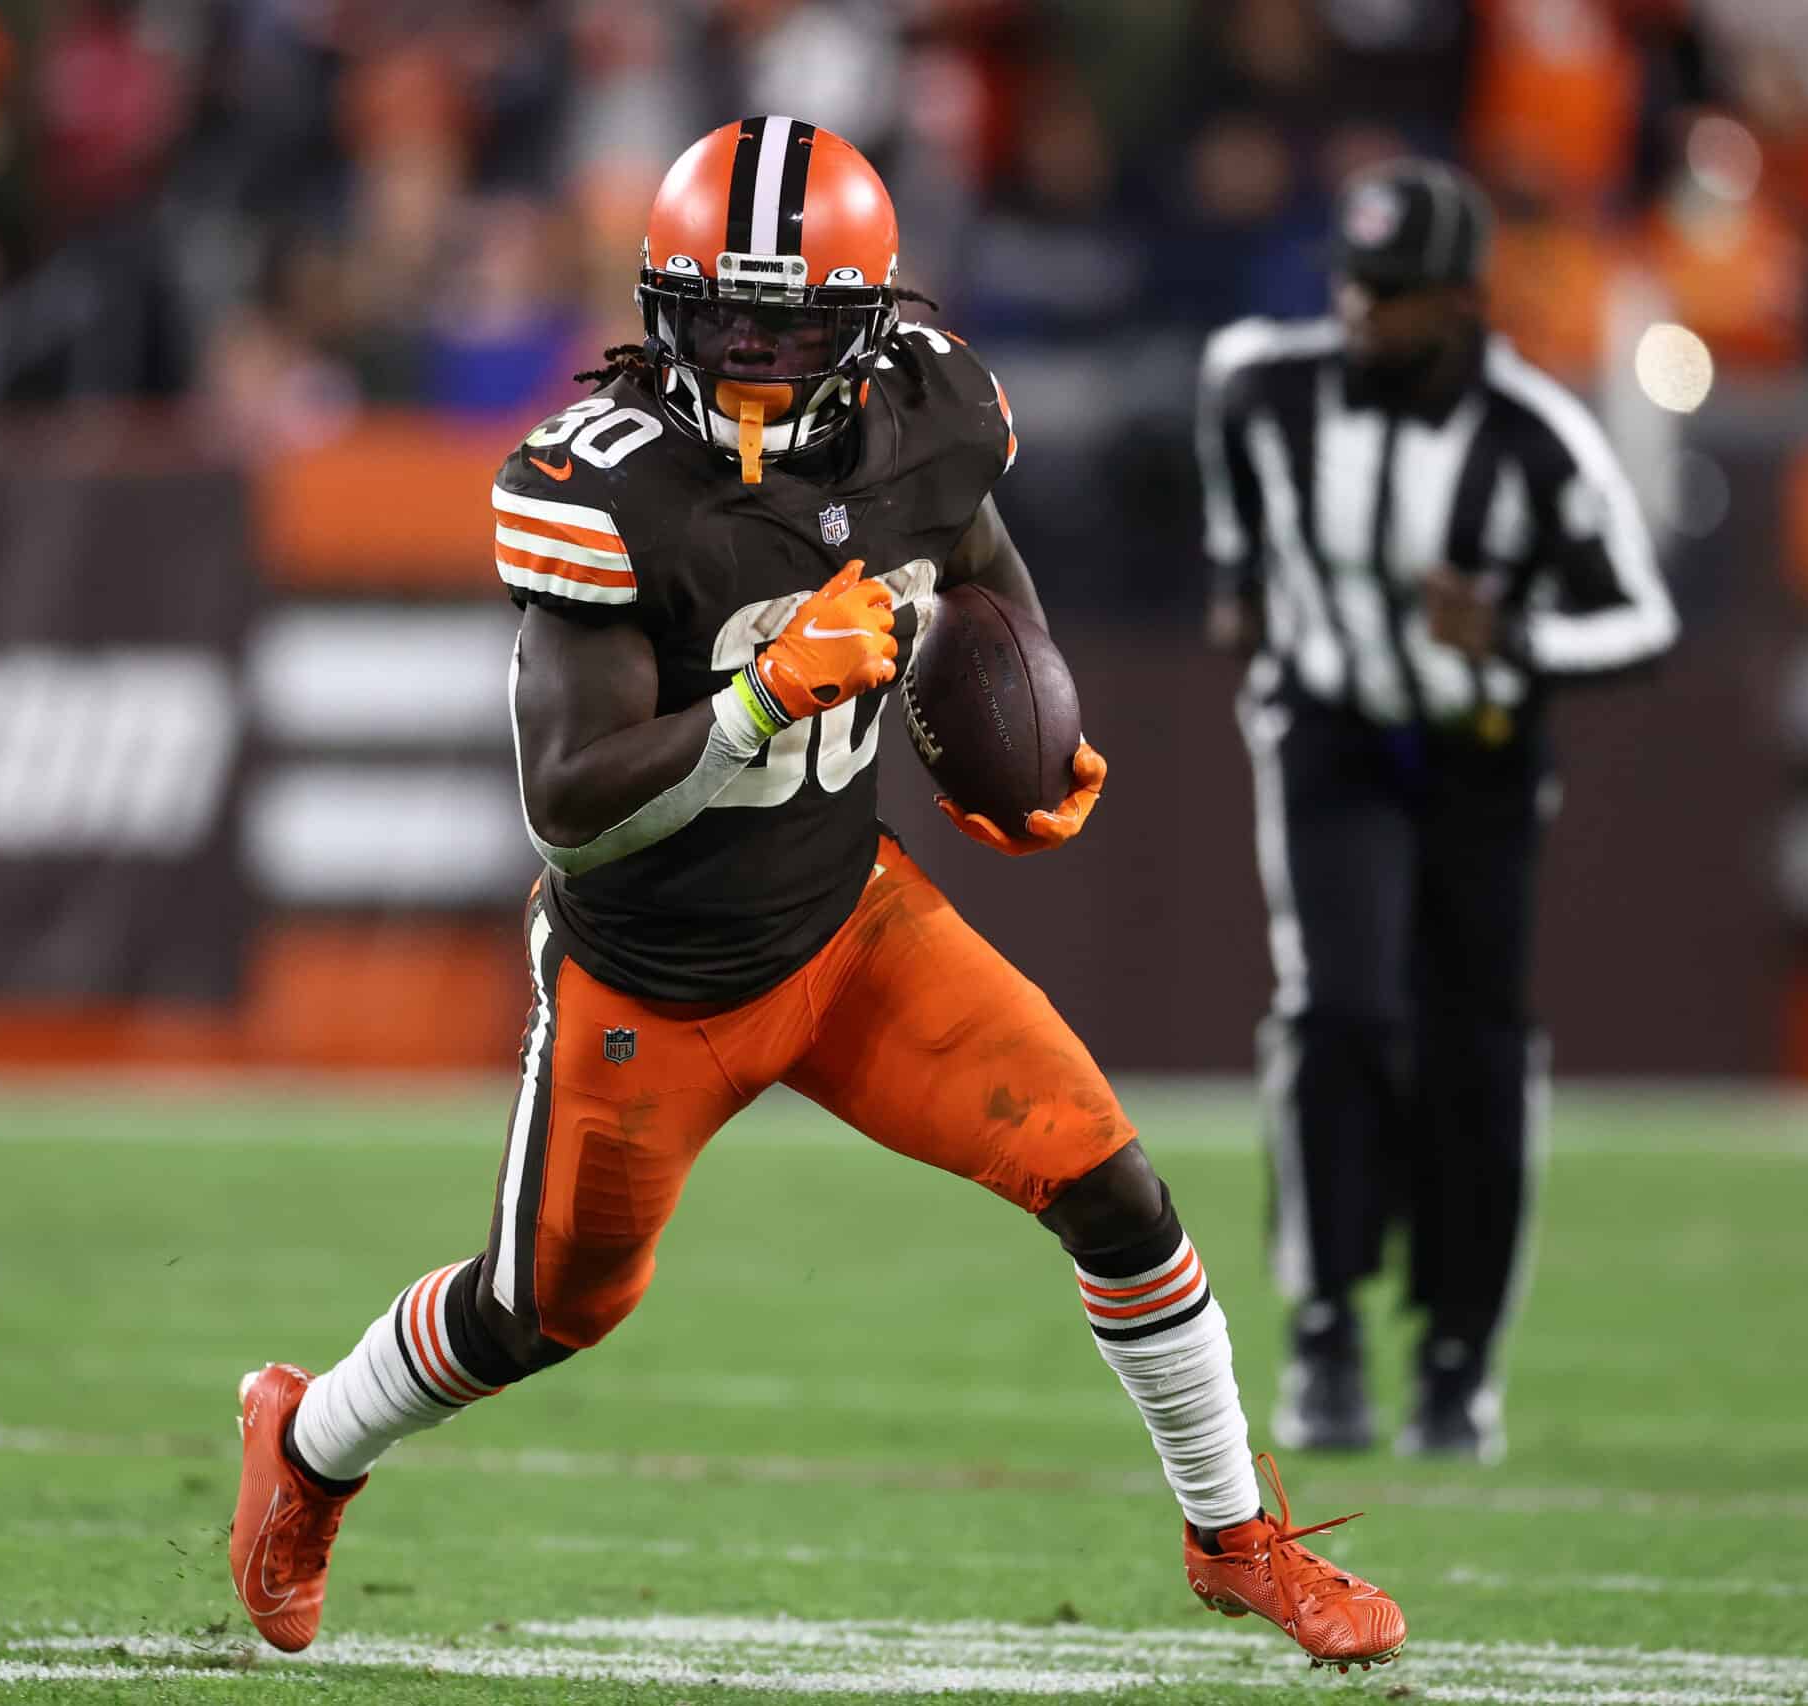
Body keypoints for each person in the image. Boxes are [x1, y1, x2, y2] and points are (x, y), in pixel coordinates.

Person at [229, 117, 1407, 1672]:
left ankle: (1232, 1527)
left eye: (788, 323)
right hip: (652, 980)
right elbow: (569, 807)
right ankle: (308, 1446)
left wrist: (1025, 735)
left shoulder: (929, 407)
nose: (753, 357)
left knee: (1110, 1180)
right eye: (719, 319)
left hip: (852, 928)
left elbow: (975, 556)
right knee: (542, 1310)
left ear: (868, 326)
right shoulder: (606, 488)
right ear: (660, 311)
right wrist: (760, 701)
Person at [1195, 159, 1678, 1462]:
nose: (1364, 315)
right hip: (1333, 732)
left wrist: (1515, 635)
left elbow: (1644, 618)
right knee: (1340, 1010)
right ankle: (1329, 1327)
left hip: (1478, 751)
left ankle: (1458, 1354)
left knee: (1477, 1045)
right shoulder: (1267, 386)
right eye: (1354, 285)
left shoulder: (1536, 436)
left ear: (1465, 300)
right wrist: (1237, 569)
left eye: (1396, 295)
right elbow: (1226, 413)